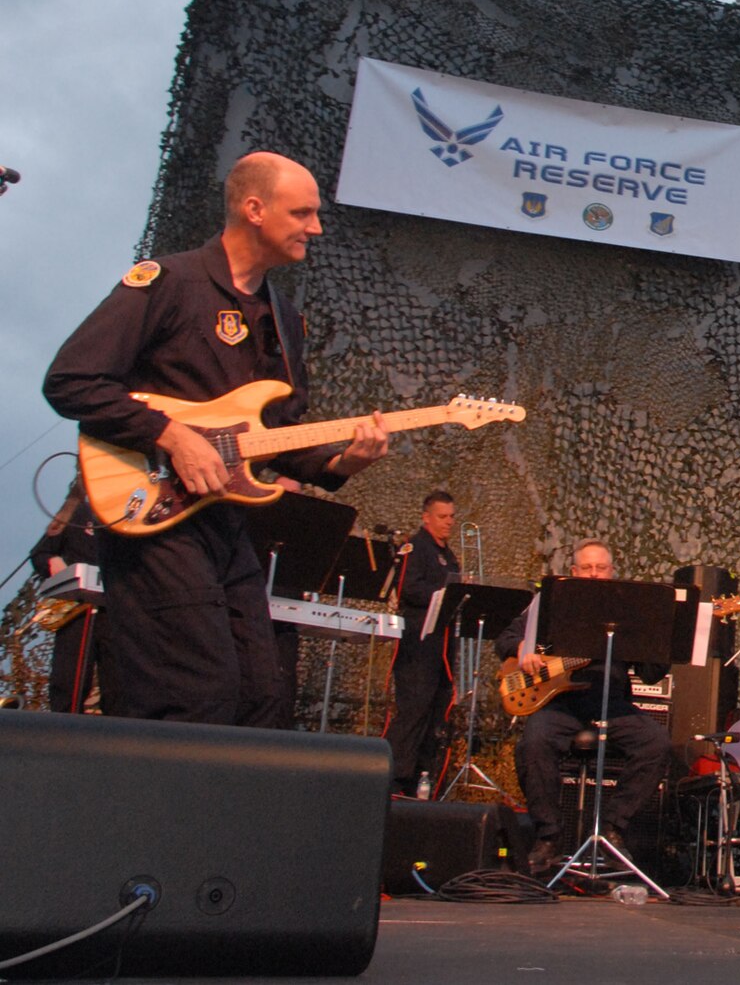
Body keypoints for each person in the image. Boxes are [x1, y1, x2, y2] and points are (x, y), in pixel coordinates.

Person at [43, 151, 387, 725]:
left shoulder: (285, 319)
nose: (316, 227)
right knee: (193, 692)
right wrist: (172, 435)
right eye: (302, 213)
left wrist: (343, 462)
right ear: (255, 209)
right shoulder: (169, 282)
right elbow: (71, 380)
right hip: (153, 517)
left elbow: (277, 438)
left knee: (261, 695)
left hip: (225, 523)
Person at [503, 541, 672, 878]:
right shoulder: (552, 601)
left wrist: (662, 642)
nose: (594, 574)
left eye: (601, 568)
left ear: (612, 572)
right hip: (560, 702)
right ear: (575, 572)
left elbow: (652, 673)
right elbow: (505, 639)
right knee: (534, 742)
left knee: (657, 744)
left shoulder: (628, 610)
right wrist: (523, 648)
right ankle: (548, 837)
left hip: (613, 703)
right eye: (587, 568)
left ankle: (612, 829)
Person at [384, 490, 463, 796]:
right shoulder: (415, 547)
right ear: (426, 517)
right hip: (419, 644)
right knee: (413, 710)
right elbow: (406, 587)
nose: (448, 523)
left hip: (442, 648)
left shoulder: (449, 554)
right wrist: (444, 593)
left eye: (452, 517)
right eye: (442, 517)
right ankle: (395, 778)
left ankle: (425, 776)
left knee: (436, 714)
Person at [29, 484, 102, 713]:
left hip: (120, 607)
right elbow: (41, 552)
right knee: (71, 676)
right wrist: (53, 563)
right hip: (79, 605)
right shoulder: (78, 512)